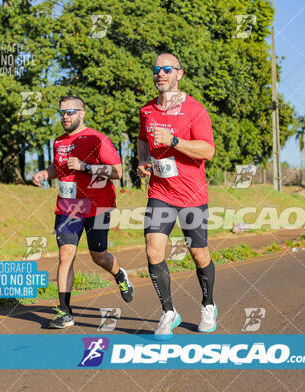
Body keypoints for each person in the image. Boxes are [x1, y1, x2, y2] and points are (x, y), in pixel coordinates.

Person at [32, 95, 134, 329]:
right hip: (68, 207)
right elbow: (58, 168)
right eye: (62, 113)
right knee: (65, 255)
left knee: (99, 256)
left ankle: (119, 275)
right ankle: (65, 312)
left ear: (82, 113)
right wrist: (44, 174)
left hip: (97, 206)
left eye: (70, 112)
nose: (65, 117)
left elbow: (117, 171)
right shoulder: (58, 142)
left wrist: (85, 167)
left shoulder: (97, 139)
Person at [137, 53, 216, 339]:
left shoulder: (195, 110)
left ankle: (208, 304)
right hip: (160, 192)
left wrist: (174, 141)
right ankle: (169, 312)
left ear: (179, 74)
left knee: (199, 253)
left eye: (167, 69)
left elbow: (207, 151)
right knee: (153, 249)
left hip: (192, 194)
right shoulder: (146, 111)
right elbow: (142, 140)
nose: (161, 73)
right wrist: (142, 161)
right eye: (156, 69)